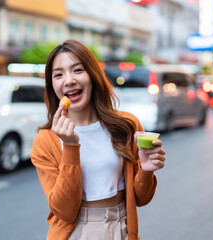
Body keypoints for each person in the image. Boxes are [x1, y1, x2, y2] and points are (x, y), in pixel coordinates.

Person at [30, 39, 166, 240]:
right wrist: (70, 146)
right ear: (52, 85)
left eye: (78, 70)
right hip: (75, 232)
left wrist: (146, 170)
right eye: (58, 74)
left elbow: (141, 198)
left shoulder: (127, 125)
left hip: (122, 228)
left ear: (93, 76)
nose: (69, 80)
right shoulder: (45, 141)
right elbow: (65, 211)